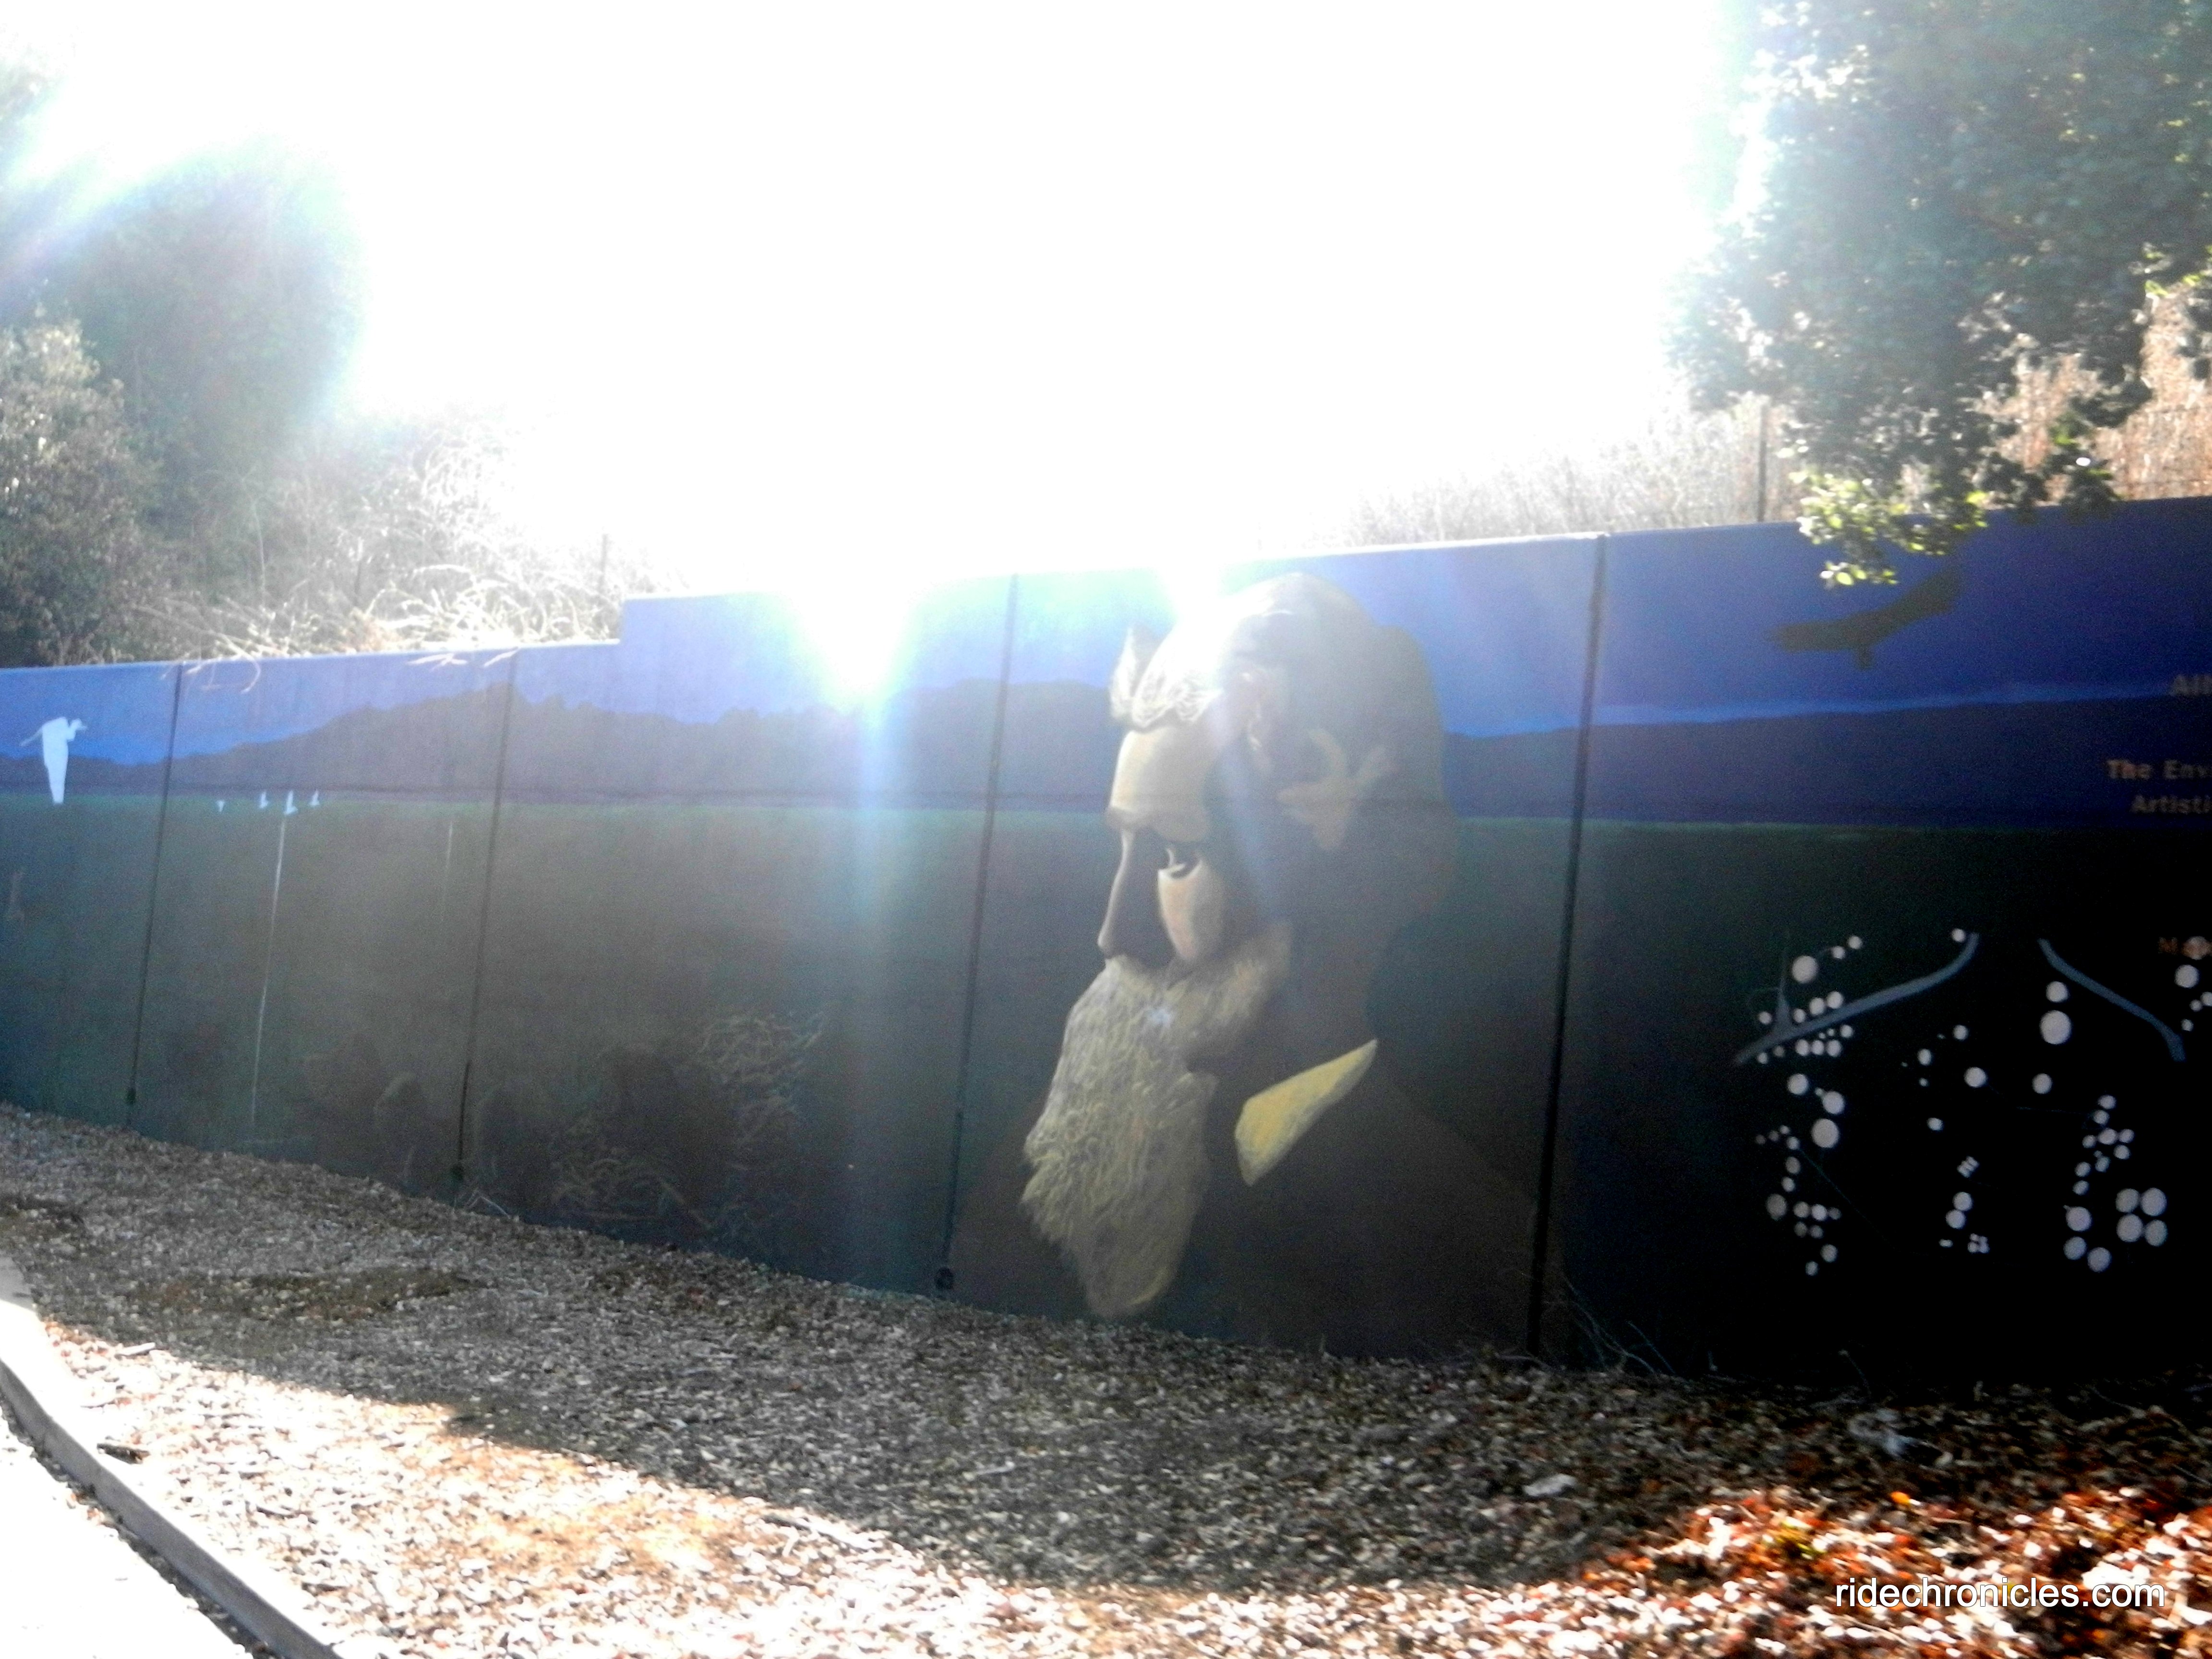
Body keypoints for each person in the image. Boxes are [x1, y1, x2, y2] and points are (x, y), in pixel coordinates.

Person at [952, 574, 1531, 1356]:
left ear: (1332, 860)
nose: (1116, 935)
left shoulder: (1466, 1239)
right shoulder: (1039, 1166)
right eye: (1126, 845)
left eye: (1176, 854)